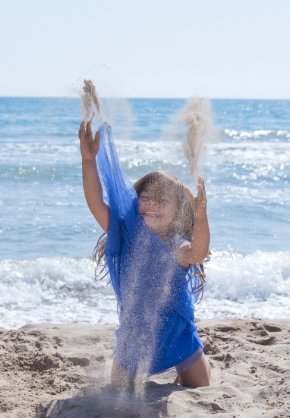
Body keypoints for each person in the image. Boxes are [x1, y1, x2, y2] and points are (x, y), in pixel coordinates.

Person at [79, 120, 212, 387]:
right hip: (134, 335)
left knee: (199, 386)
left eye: (162, 201)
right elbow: (96, 203)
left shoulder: (176, 245)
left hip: (177, 332)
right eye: (146, 197)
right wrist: (89, 162)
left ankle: (202, 350)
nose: (151, 203)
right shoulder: (125, 236)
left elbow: (197, 252)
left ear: (178, 213)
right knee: (118, 391)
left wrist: (201, 219)